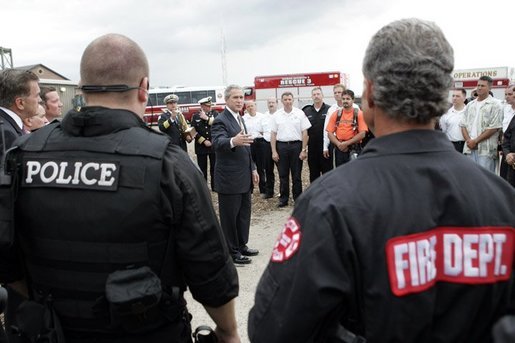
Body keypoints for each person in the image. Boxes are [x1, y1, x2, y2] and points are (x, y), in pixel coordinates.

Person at [249, 18, 515, 343]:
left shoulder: (330, 204)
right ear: (443, 97)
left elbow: (274, 328)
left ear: (370, 93)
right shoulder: (503, 200)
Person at [0, 33, 240, 343]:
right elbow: (209, 269)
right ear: (143, 88)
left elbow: (5, 254)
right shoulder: (168, 163)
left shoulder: (21, 156)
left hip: (49, 331)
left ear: (83, 87)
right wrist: (228, 330)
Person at [212, 85, 259, 265]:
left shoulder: (240, 118)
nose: (240, 101)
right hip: (229, 179)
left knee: (243, 214)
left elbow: (246, 147)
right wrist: (233, 140)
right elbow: (217, 142)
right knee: (230, 217)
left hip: (244, 176)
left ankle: (241, 245)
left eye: (241, 97)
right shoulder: (220, 120)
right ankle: (231, 252)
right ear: (227, 100)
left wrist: (253, 168)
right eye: (236, 98)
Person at [270, 92, 311, 207]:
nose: (288, 101)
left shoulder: (300, 113)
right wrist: (274, 151)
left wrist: (303, 149)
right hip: (281, 146)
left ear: (293, 100)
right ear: (282, 101)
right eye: (285, 99)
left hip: (296, 146)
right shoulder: (276, 115)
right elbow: (273, 134)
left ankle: (298, 198)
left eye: (289, 99)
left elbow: (305, 132)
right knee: (283, 174)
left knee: (297, 175)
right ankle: (283, 199)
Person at [460, 75, 503, 172]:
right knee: (470, 178)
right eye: (478, 85)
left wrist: (475, 141)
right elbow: (463, 125)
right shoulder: (470, 105)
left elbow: (494, 128)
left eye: (483, 86)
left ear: (490, 87)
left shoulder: (496, 104)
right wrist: (469, 141)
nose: (479, 88)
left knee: (486, 179)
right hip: (469, 149)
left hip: (486, 151)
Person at [0, 69, 40, 153]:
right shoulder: (6, 134)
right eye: (36, 95)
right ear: (20, 103)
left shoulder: (7, 126)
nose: (40, 100)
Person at [326, 89, 368, 166]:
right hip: (339, 149)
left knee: (354, 174)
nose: (345, 101)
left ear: (353, 100)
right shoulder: (336, 114)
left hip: (354, 149)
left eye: (348, 99)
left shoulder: (359, 114)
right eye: (343, 99)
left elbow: (362, 134)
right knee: (340, 174)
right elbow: (329, 133)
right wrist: (339, 144)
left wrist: (346, 143)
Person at [302, 87, 331, 182]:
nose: (316, 96)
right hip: (312, 148)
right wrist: (304, 148)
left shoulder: (329, 110)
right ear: (311, 96)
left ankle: (328, 195)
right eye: (314, 94)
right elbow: (304, 131)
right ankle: (315, 195)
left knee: (327, 174)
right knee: (314, 174)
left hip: (326, 148)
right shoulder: (307, 111)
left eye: (318, 94)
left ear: (322, 95)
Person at [191, 96, 218, 189]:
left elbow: (218, 126)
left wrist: (207, 118)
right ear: (202, 106)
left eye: (210, 106)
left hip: (213, 145)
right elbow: (193, 131)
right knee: (202, 168)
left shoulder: (215, 114)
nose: (210, 108)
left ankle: (215, 186)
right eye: (207, 106)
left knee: (214, 167)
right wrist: (203, 141)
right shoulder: (195, 116)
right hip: (201, 146)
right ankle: (203, 187)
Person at [243, 100, 266, 195]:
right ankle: (250, 189)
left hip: (260, 143)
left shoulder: (262, 117)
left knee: (261, 167)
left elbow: (267, 130)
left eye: (252, 106)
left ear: (255, 106)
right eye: (248, 106)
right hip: (249, 143)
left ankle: (263, 189)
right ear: (246, 108)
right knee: (249, 166)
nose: (250, 108)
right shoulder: (243, 118)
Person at [259, 97, 278, 199]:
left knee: (281, 170)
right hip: (266, 144)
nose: (271, 104)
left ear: (276, 103)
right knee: (268, 169)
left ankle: (284, 192)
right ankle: (269, 192)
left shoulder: (280, 115)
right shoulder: (264, 116)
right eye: (269, 102)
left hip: (278, 144)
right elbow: (261, 130)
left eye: (273, 102)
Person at [439, 88, 467, 152]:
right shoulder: (446, 113)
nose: (454, 98)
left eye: (457, 96)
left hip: (466, 145)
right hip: (451, 145)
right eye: (453, 96)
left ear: (464, 98)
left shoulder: (469, 111)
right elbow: (444, 130)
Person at [500, 84, 515, 180]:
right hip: (507, 150)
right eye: (505, 94)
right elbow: (503, 131)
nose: (507, 97)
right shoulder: (505, 109)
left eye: (509, 94)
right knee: (504, 179)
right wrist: (505, 151)